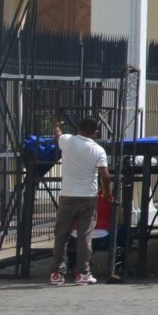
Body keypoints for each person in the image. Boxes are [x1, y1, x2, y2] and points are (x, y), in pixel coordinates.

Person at [51, 116, 111, 286]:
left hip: (67, 195)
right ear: (96, 132)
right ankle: (82, 273)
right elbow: (105, 174)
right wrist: (107, 193)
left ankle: (57, 273)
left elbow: (58, 135)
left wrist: (56, 125)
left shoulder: (68, 141)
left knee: (61, 235)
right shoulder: (98, 150)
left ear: (78, 128)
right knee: (84, 236)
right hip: (88, 197)